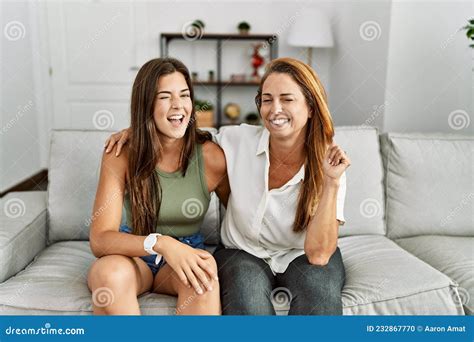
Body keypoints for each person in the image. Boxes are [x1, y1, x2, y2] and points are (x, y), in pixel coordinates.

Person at [104, 57, 350, 315]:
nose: (275, 109)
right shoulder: (236, 140)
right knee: (248, 299)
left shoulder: (328, 162)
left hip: (301, 254)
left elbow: (319, 255)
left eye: (287, 99)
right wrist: (138, 130)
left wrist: (331, 182)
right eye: (267, 99)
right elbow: (180, 134)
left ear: (311, 107)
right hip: (243, 253)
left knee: (320, 297)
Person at [87, 58, 229, 315]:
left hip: (184, 256)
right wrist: (161, 243)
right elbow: (100, 239)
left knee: (204, 279)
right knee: (109, 275)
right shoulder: (121, 153)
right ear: (146, 105)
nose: (178, 105)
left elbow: (243, 220)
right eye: (165, 96)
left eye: (184, 95)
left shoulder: (212, 158)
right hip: (132, 253)